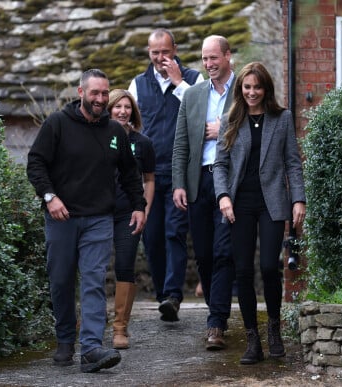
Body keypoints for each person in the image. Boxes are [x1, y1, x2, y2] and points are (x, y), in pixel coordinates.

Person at [27, 69, 146, 373]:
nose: (101, 99)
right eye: (95, 93)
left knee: (93, 281)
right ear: (81, 93)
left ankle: (92, 348)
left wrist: (138, 206)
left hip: (99, 219)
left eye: (105, 93)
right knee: (61, 281)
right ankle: (65, 339)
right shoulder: (58, 124)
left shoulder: (115, 132)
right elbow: (36, 162)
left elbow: (131, 174)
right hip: (62, 218)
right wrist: (50, 197)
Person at [212, 62, 306, 365]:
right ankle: (253, 338)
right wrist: (223, 196)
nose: (252, 92)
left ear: (266, 88)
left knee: (268, 267)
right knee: (242, 271)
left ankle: (274, 330)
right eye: (247, 87)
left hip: (272, 203)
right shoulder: (231, 120)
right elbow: (221, 165)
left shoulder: (282, 118)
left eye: (257, 87)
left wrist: (298, 200)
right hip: (239, 204)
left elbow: (293, 161)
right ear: (241, 89)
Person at [128, 28, 204, 322]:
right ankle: (163, 296)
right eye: (155, 53)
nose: (160, 58)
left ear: (175, 50)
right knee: (152, 237)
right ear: (149, 53)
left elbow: (201, 112)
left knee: (175, 232)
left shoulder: (194, 80)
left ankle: (173, 295)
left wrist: (178, 83)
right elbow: (128, 123)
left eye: (165, 52)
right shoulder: (137, 84)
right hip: (147, 175)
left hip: (179, 172)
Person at [172, 35, 235, 350]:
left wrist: (221, 128)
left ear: (227, 56)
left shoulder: (244, 90)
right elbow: (181, 142)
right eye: (204, 59)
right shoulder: (194, 95)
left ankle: (217, 323)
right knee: (206, 256)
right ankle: (216, 310)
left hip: (230, 183)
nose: (209, 64)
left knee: (225, 252)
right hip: (198, 183)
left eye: (214, 58)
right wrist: (179, 183)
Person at [107, 89, 156, 349]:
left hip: (129, 213)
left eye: (127, 107)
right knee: (91, 266)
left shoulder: (143, 143)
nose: (123, 111)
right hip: (99, 211)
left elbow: (149, 179)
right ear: (109, 109)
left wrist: (144, 210)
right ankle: (87, 322)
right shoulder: (98, 138)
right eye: (117, 107)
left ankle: (120, 329)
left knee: (125, 266)